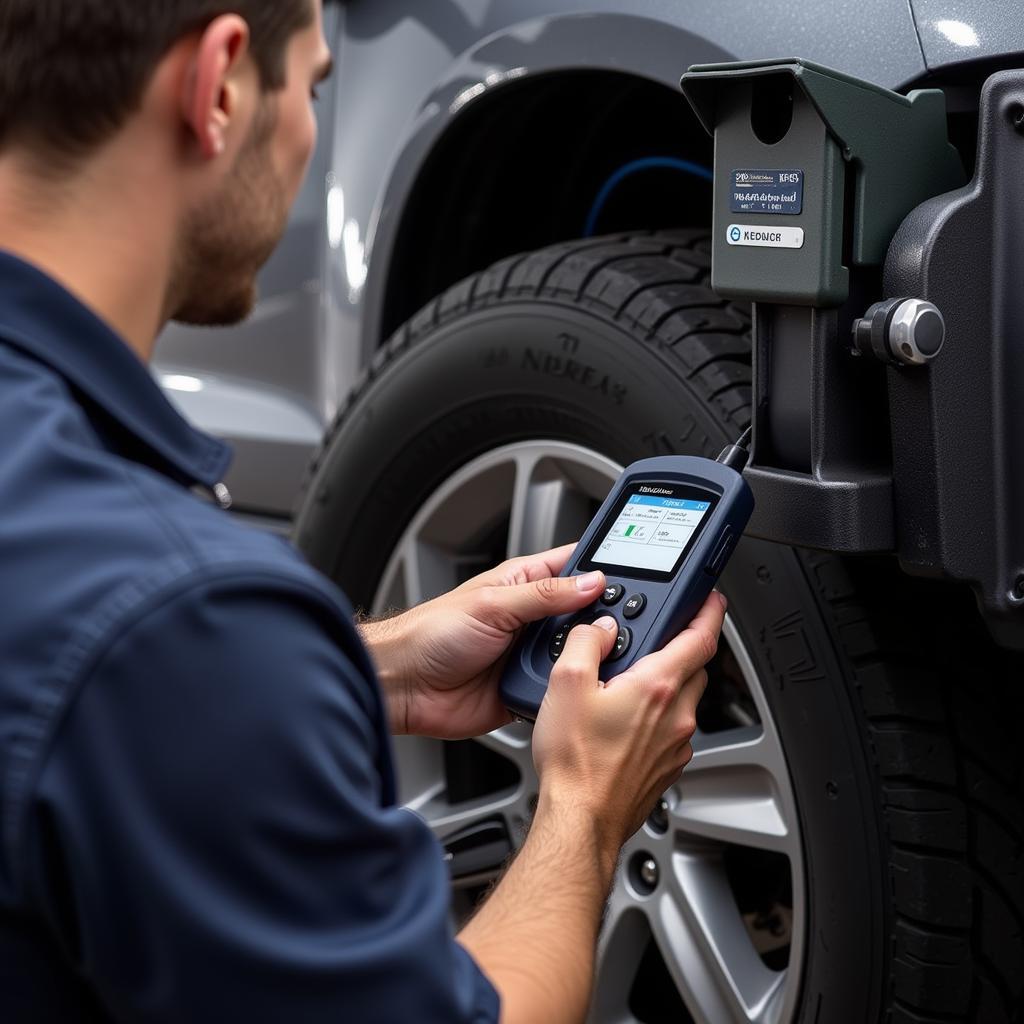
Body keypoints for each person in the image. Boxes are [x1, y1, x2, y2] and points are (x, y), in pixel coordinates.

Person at [0, 2, 725, 1021]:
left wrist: (368, 663)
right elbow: (138, 657)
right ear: (217, 88)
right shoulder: (181, 622)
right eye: (313, 84)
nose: (304, 131)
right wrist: (585, 807)